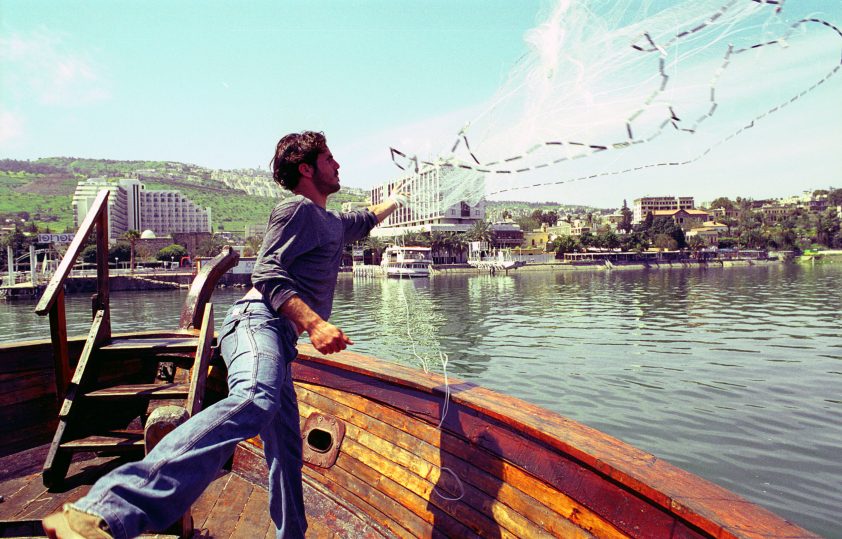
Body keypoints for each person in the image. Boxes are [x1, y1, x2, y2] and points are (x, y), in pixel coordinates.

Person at [43, 131, 408, 539]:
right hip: (256, 322)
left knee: (286, 453)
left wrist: (399, 196)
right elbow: (266, 273)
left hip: (280, 341)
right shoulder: (297, 210)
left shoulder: (333, 223)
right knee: (255, 398)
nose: (338, 165)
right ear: (306, 168)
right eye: (330, 159)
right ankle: (104, 512)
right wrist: (315, 323)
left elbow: (368, 218)